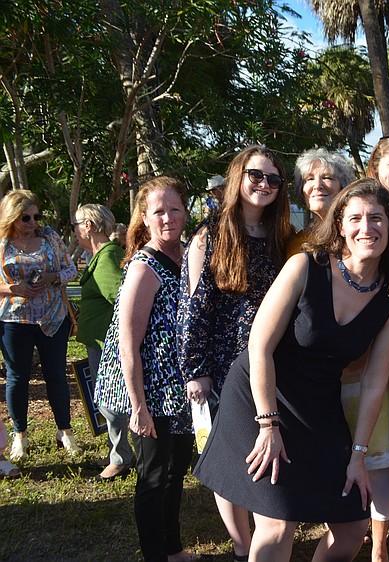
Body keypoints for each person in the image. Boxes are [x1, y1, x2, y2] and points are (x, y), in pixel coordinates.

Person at [194, 179, 389, 562]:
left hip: (318, 405)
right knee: (277, 523)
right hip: (260, 395)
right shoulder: (304, 266)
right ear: (339, 225)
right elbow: (259, 346)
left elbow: (375, 383)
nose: (366, 227)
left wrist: (358, 453)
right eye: (355, 217)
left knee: (353, 527)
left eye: (377, 218)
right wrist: (268, 425)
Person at [178, 146, 291, 562]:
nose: (263, 185)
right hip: (223, 365)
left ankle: (263, 535)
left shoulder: (280, 238)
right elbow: (194, 309)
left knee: (259, 452)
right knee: (228, 459)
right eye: (255, 176)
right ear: (237, 178)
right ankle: (245, 546)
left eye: (273, 180)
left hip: (271, 363)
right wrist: (196, 370)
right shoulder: (210, 235)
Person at [94, 177, 198, 562]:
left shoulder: (187, 255)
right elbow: (127, 344)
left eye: (175, 209)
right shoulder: (143, 266)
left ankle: (172, 548)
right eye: (159, 211)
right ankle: (155, 554)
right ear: (144, 216)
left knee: (175, 473)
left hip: (181, 390)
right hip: (151, 391)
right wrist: (138, 406)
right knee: (153, 477)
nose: (168, 218)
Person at [0, 189, 79, 462]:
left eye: (36, 215)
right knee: (17, 377)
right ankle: (20, 434)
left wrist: (53, 276)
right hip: (14, 320)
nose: (33, 222)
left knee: (56, 374)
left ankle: (65, 431)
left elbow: (72, 270)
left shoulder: (50, 238)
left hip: (53, 317)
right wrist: (12, 288)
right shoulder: (2, 244)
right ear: (12, 217)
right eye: (26, 217)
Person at [73, 203, 131, 481]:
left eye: (76, 225)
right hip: (101, 342)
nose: (74, 231)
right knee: (110, 401)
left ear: (89, 226)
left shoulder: (107, 257)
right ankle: (118, 454)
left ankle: (120, 458)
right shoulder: (101, 256)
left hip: (109, 345)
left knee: (112, 402)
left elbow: (122, 299)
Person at [286, 147, 354, 258]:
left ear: (343, 187)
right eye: (310, 179)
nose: (317, 186)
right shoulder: (294, 244)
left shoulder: (355, 234)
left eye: (327, 177)